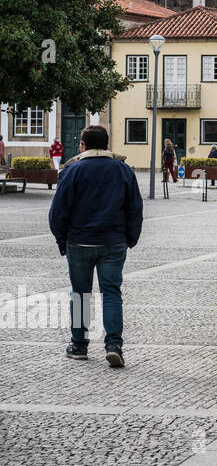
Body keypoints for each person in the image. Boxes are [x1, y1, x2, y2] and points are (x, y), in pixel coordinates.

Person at [48, 125, 142, 368]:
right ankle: (113, 345)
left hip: (80, 240)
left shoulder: (72, 170)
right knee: (111, 293)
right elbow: (135, 209)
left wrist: (62, 240)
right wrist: (130, 238)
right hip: (113, 241)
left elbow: (58, 211)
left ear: (83, 145)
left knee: (80, 294)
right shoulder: (123, 170)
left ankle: (79, 345)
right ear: (106, 144)